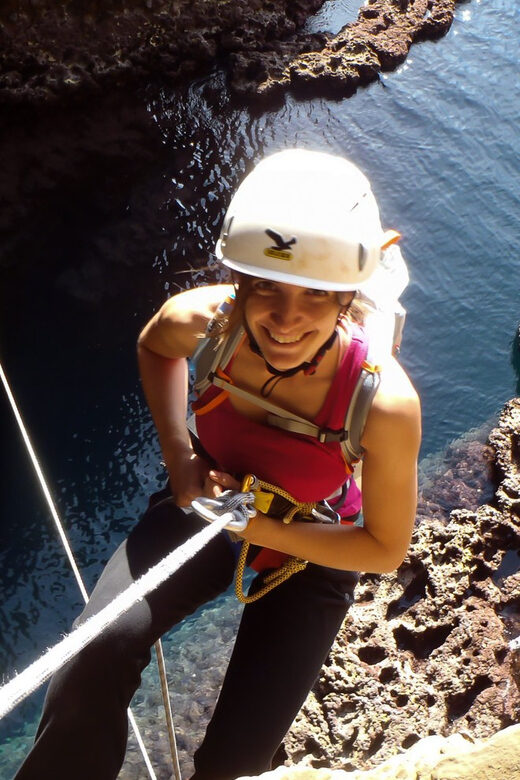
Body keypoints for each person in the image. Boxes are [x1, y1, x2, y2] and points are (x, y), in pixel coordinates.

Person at [14, 149, 421, 780]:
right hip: (208, 500)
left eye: (317, 294)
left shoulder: (385, 404)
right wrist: (181, 457)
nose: (287, 319)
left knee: (234, 761)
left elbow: (383, 548)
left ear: (349, 295)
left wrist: (253, 530)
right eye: (265, 286)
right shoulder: (204, 324)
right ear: (239, 281)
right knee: (91, 657)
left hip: (313, 546)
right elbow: (155, 345)